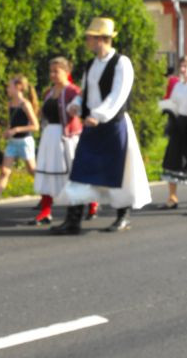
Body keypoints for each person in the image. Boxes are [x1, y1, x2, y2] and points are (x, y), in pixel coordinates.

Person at [51, 17, 151, 234]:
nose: (87, 41)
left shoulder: (121, 63)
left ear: (101, 39)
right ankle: (73, 220)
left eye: (90, 37)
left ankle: (122, 217)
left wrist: (98, 114)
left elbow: (118, 94)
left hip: (113, 126)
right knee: (81, 169)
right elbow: (87, 92)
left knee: (118, 172)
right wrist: (77, 105)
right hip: (92, 125)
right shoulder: (92, 64)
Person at [30, 57, 88, 226]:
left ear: (66, 72)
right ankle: (46, 211)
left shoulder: (72, 91)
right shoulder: (49, 92)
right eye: (51, 71)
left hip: (66, 137)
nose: (53, 75)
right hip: (50, 136)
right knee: (47, 171)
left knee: (71, 173)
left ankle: (88, 205)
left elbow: (79, 111)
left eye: (57, 71)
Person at [0, 75, 39, 213]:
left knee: (32, 170)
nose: (7, 89)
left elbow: (35, 126)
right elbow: (12, 122)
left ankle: (46, 195)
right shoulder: (10, 104)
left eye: (9, 86)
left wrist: (17, 130)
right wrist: (8, 131)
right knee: (4, 172)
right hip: (13, 142)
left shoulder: (25, 104)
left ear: (18, 87)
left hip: (25, 142)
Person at [158, 55, 187, 209]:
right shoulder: (178, 86)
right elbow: (174, 103)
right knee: (172, 159)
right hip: (180, 124)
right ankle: (172, 197)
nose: (183, 70)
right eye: (182, 67)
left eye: (186, 67)